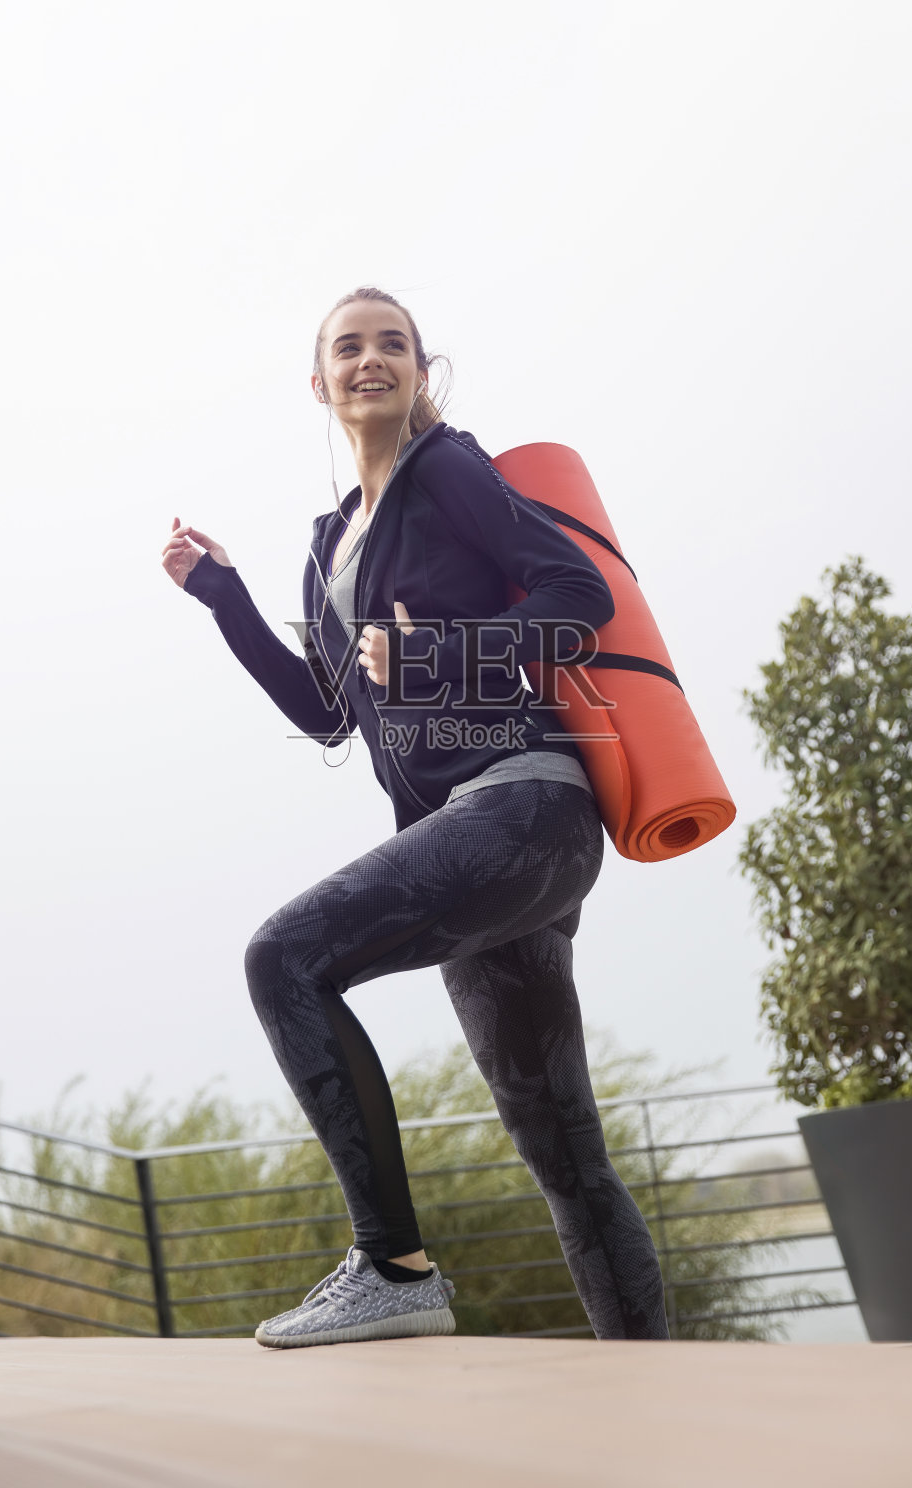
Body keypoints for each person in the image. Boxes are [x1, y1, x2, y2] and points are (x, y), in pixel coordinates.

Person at [161, 287, 669, 1348]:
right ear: (320, 383)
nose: (371, 359)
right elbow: (325, 707)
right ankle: (648, 1391)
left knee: (282, 959)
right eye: (349, 347)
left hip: (527, 803)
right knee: (561, 1148)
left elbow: (575, 597)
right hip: (467, 846)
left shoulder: (448, 472)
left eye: (392, 344)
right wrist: (225, 596)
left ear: (420, 372)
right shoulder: (326, 544)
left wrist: (441, 652)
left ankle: (390, 1265)